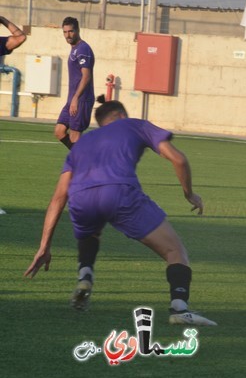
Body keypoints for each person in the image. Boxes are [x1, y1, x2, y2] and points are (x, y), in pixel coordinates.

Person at [25, 96, 216, 326]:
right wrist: (189, 194)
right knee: (175, 251)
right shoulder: (135, 124)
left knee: (90, 231)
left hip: (80, 198)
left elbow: (58, 198)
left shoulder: (83, 144)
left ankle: (85, 274)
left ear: (101, 123)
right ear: (122, 116)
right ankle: (179, 308)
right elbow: (179, 159)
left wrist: (44, 246)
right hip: (119, 192)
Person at [54, 17, 95, 150]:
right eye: (65, 32)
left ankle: (80, 166)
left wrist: (76, 98)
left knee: (74, 137)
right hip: (72, 99)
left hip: (81, 99)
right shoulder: (75, 48)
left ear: (77, 30)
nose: (68, 35)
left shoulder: (83, 49)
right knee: (59, 131)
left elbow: (86, 76)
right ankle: (87, 158)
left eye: (71, 31)